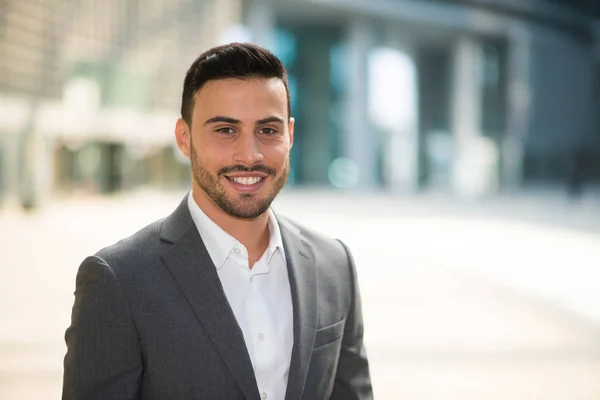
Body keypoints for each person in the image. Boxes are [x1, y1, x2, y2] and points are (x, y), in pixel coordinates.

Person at [62, 42, 373, 400]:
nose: (249, 154)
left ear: (290, 133)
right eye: (225, 130)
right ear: (184, 137)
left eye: (268, 130)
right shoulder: (119, 280)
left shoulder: (334, 265)